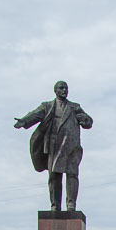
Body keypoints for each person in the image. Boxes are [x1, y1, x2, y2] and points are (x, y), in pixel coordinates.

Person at [13, 80, 94, 212]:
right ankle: (55, 205)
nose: (64, 90)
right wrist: (24, 121)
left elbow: (88, 122)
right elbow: (35, 114)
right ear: (55, 91)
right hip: (54, 146)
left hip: (71, 147)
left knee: (72, 175)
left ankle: (71, 204)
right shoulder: (48, 106)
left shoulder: (75, 107)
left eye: (66, 88)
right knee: (54, 177)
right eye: (61, 88)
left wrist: (85, 119)